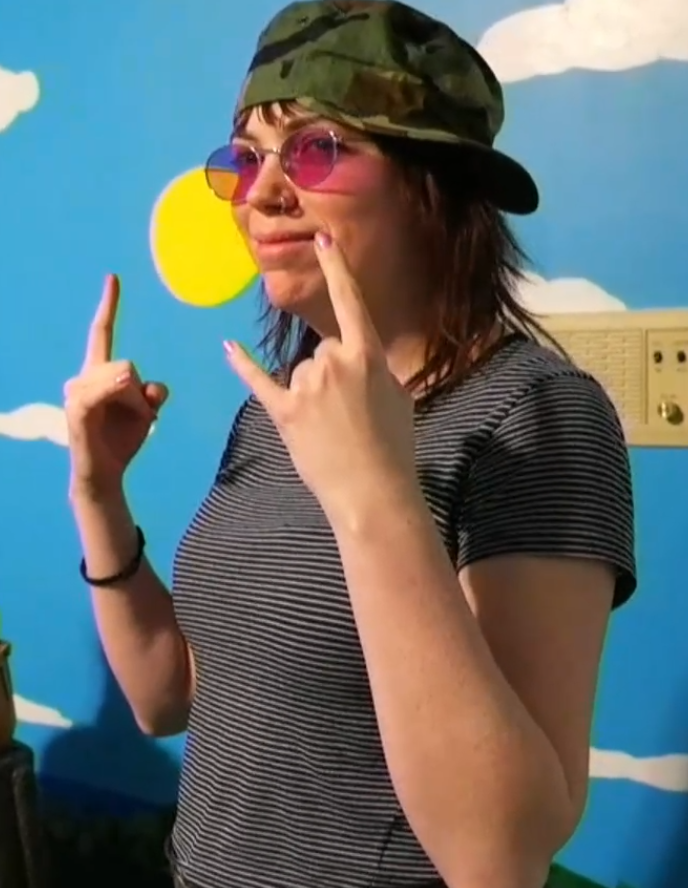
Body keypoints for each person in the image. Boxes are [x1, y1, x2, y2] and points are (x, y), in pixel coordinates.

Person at [63, 2, 636, 887]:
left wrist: (374, 493)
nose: (260, 194)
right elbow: (167, 696)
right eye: (245, 158)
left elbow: (500, 855)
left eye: (316, 149)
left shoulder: (535, 415)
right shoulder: (286, 405)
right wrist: (100, 495)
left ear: (431, 182)